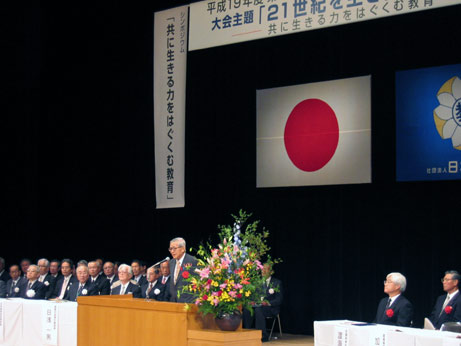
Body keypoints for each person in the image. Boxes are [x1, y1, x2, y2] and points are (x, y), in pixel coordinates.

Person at [243, 263, 283, 342]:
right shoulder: (257, 282)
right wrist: (252, 301)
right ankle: (246, 334)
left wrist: (268, 303)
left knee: (259, 310)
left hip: (270, 308)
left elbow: (279, 299)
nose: (263, 271)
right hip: (258, 306)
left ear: (271, 272)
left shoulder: (277, 283)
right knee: (247, 309)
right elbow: (252, 296)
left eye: (266, 269)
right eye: (262, 269)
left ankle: (262, 336)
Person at [166, 237, 198, 303]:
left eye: (174, 248)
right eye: (170, 249)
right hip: (173, 302)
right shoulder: (171, 262)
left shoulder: (193, 261)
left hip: (188, 303)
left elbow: (198, 284)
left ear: (183, 249)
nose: (172, 251)